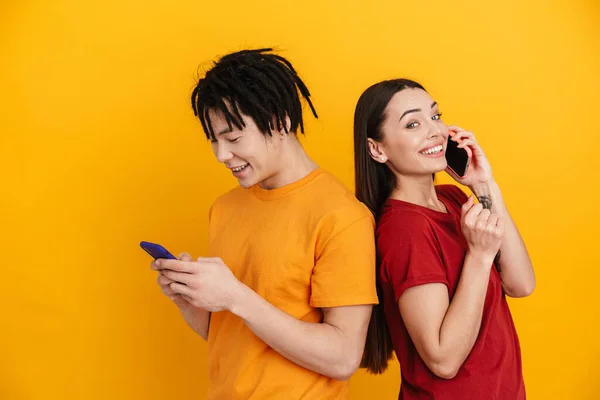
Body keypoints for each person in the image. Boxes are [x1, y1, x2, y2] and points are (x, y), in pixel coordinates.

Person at [150, 48, 378, 400]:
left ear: (281, 120)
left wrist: (234, 295)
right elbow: (232, 337)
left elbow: (343, 357)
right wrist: (190, 300)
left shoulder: (343, 217)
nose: (222, 155)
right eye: (214, 140)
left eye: (234, 138)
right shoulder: (225, 208)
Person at [354, 79, 535, 399]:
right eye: (413, 123)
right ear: (376, 149)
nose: (435, 131)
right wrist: (478, 258)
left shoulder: (453, 198)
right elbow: (443, 359)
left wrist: (484, 185)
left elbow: (521, 285)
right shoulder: (404, 230)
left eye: (435, 117)